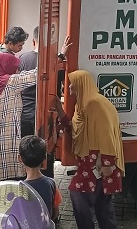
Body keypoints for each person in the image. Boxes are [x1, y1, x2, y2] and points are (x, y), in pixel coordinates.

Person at [52, 70, 124, 229]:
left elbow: (106, 135)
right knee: (102, 204)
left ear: (82, 84)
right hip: (91, 160)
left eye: (72, 83)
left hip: (97, 161)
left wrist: (107, 163)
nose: (69, 87)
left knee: (78, 193)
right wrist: (59, 108)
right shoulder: (83, 104)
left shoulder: (94, 104)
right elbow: (74, 128)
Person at [0, 53, 38, 187]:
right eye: (15, 67)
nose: (18, 71)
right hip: (5, 153)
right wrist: (60, 56)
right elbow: (37, 74)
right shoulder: (8, 82)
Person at [19, 135, 61, 221]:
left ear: (19, 159)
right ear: (44, 158)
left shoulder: (19, 188)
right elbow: (56, 213)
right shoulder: (51, 183)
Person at [19, 26, 40, 137]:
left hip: (24, 112)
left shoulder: (22, 58)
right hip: (45, 113)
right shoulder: (54, 61)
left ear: (33, 41)